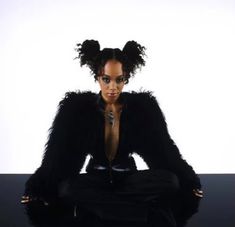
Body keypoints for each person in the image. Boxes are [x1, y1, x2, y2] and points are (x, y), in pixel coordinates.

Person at [21, 39, 203, 227]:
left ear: (126, 77)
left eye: (119, 79)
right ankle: (142, 214)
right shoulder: (76, 109)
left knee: (170, 181)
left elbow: (165, 151)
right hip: (95, 180)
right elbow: (56, 155)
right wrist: (37, 187)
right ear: (97, 77)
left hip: (129, 180)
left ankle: (96, 210)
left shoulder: (143, 108)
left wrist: (188, 180)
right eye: (106, 79)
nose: (113, 87)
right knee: (67, 189)